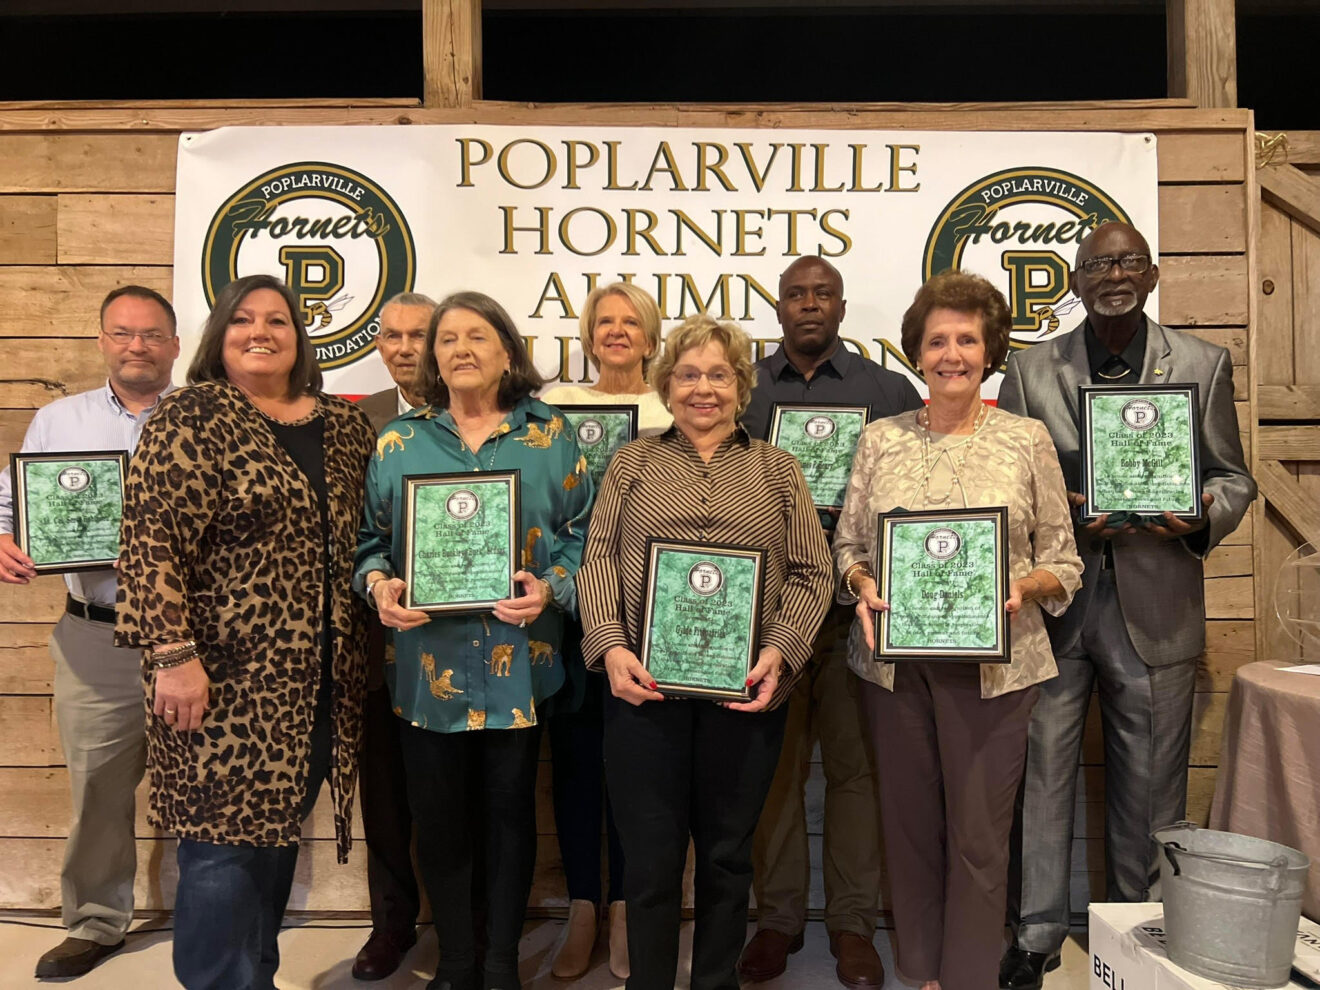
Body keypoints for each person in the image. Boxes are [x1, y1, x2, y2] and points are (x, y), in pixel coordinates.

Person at [997, 222, 1257, 990]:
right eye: (1098, 264)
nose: (1114, 274)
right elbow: (1006, 488)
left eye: (1128, 262)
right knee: (1042, 777)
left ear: (1151, 276)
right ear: (1075, 281)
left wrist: (1199, 514)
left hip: (1157, 600)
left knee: (1150, 784)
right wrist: (1060, 514)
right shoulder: (1030, 369)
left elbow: (1233, 477)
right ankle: (1036, 935)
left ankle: (1135, 932)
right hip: (1054, 606)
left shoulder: (1202, 364)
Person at [115, 274, 376, 990]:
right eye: (243, 320)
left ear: (300, 337)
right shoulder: (191, 414)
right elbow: (151, 543)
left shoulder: (346, 426)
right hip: (217, 677)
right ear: (219, 337)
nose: (260, 331)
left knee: (273, 839)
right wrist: (173, 656)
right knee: (220, 851)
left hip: (319, 682)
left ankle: (253, 978)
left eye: (278, 320)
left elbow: (372, 538)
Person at [834, 270, 1083, 990]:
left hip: (997, 668)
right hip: (893, 665)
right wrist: (862, 585)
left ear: (990, 351)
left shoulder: (1026, 439)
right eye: (937, 340)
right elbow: (848, 546)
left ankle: (968, 975)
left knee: (979, 837)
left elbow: (1063, 560)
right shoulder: (880, 441)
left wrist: (1021, 588)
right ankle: (922, 971)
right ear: (916, 352)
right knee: (909, 827)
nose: (952, 354)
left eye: (967, 340)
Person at [577, 313, 833, 990]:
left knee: (726, 859)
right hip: (643, 693)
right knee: (650, 864)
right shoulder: (631, 463)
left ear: (741, 386)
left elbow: (813, 570)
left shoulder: (777, 468)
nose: (703, 389)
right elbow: (598, 558)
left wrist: (782, 649)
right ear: (667, 384)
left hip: (743, 694)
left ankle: (716, 983)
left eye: (719, 375)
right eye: (688, 374)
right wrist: (609, 648)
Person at [355, 291, 593, 990]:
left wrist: (552, 588)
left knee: (511, 819)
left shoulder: (551, 434)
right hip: (426, 669)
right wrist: (380, 587)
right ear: (433, 357)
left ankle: (500, 964)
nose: (461, 349)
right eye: (448, 338)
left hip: (519, 666)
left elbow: (585, 535)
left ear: (507, 351)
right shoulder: (399, 442)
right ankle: (458, 961)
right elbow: (370, 544)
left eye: (478, 336)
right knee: (439, 822)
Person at [738, 256, 922, 990]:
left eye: (823, 294)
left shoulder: (887, 391)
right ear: (778, 307)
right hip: (770, 616)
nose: (809, 304)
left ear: (842, 307)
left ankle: (852, 925)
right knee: (773, 774)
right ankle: (777, 920)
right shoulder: (746, 390)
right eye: (795, 294)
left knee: (855, 773)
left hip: (857, 616)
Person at [0, 286, 179, 980]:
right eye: (123, 333)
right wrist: (4, 539)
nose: (137, 346)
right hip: (95, 637)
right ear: (102, 340)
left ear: (174, 344)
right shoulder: (58, 420)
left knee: (213, 786)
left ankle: (215, 915)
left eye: (152, 334)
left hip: (197, 640)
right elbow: (11, 502)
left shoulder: (208, 417)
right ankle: (97, 921)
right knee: (99, 791)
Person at [539, 283, 671, 981]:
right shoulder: (554, 407)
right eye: (604, 323)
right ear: (588, 336)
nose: (617, 333)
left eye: (631, 323)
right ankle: (582, 906)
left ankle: (625, 908)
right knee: (575, 763)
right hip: (569, 614)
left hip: (648, 616)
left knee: (636, 767)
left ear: (651, 337)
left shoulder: (672, 411)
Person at [352, 290, 437, 981]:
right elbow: (357, 532)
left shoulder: (482, 416)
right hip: (379, 639)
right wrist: (376, 585)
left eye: (419, 335)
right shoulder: (359, 421)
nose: (404, 348)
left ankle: (463, 923)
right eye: (392, 336)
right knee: (384, 795)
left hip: (465, 638)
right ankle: (391, 923)